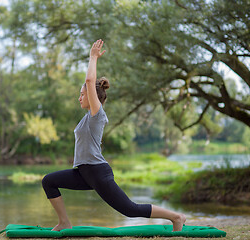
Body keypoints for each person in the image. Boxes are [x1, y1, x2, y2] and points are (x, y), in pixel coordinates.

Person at [42, 39, 186, 232]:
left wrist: (93, 57)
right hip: (84, 172)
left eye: (82, 94)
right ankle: (64, 222)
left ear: (92, 96)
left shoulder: (96, 115)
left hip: (97, 172)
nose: (79, 98)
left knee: (130, 209)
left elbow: (90, 81)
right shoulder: (87, 118)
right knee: (49, 181)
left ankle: (177, 217)